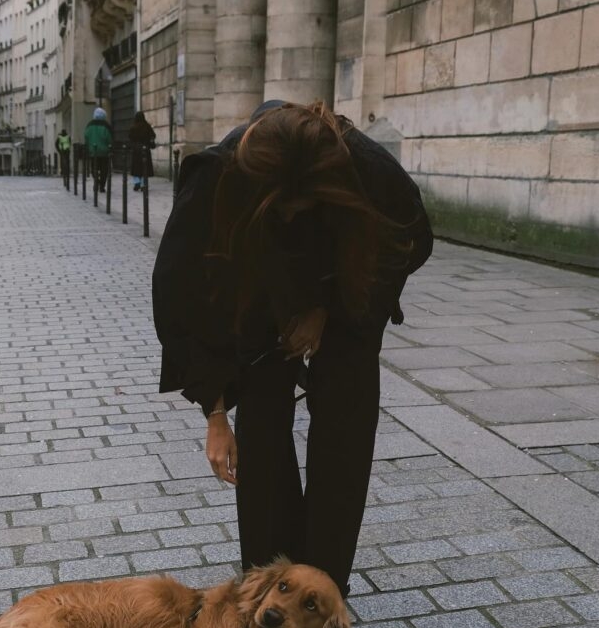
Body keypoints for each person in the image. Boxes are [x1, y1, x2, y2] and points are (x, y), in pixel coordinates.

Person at [152, 100, 433, 597]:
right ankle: (267, 586)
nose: (290, 216)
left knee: (347, 419)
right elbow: (183, 303)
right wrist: (215, 413)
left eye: (301, 209)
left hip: (347, 288)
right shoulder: (217, 178)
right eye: (281, 208)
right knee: (260, 425)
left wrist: (329, 308)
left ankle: (321, 591)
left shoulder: (367, 169)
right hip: (256, 301)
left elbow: (412, 243)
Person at [83, 107, 112, 191]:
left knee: (94, 169)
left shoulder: (89, 125)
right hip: (104, 152)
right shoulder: (106, 126)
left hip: (93, 151)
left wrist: (88, 147)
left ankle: (96, 181)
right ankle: (102, 186)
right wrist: (110, 147)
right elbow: (109, 138)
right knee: (104, 170)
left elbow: (86, 136)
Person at [128, 111, 156, 191]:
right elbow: (153, 135)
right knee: (145, 167)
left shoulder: (133, 127)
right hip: (145, 149)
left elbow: (130, 138)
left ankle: (137, 182)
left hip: (136, 150)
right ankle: (144, 184)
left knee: (136, 167)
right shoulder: (147, 126)